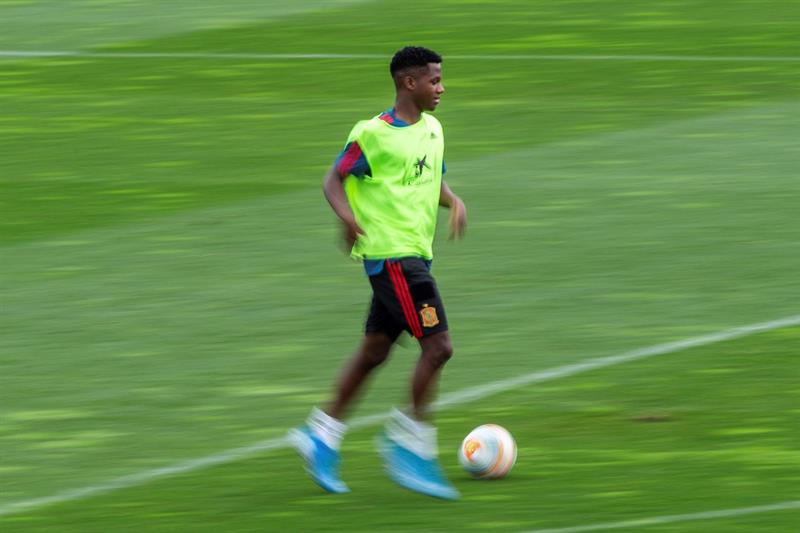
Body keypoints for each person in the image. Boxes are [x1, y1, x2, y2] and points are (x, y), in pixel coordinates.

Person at [288, 46, 467, 500]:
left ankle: (320, 435)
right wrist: (347, 218)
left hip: (415, 257)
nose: (441, 88)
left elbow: (428, 178)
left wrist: (454, 200)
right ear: (409, 83)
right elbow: (333, 179)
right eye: (434, 80)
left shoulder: (433, 129)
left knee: (375, 350)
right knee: (439, 347)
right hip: (392, 258)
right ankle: (409, 444)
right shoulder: (373, 134)